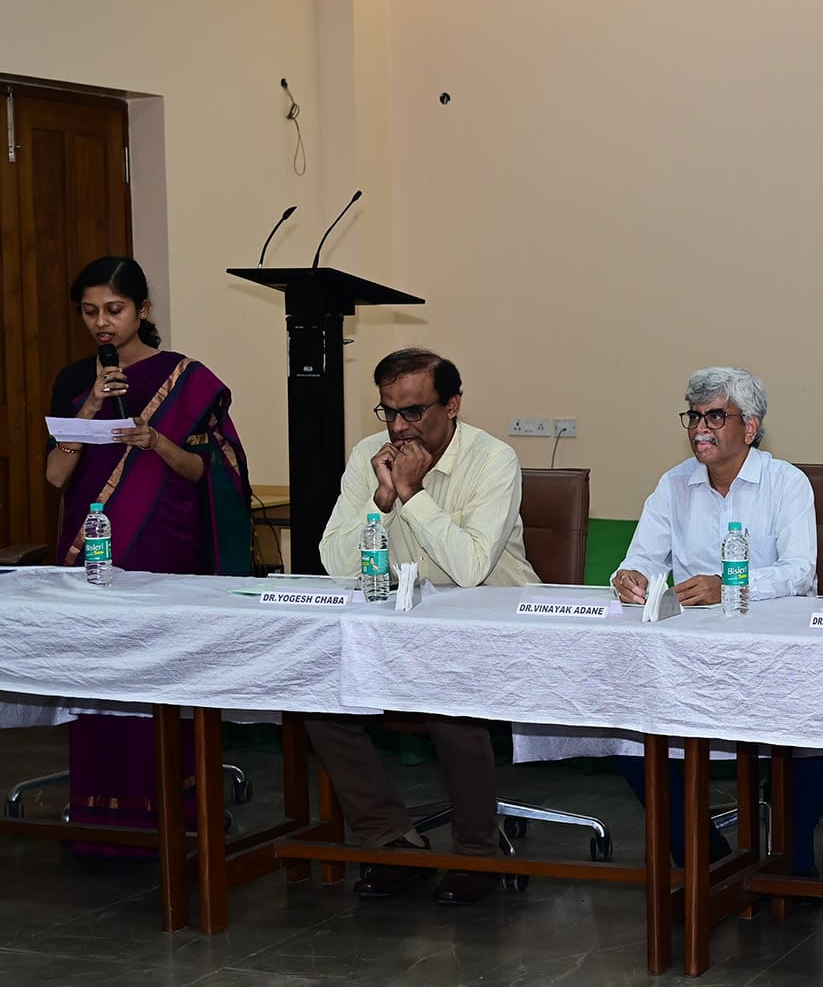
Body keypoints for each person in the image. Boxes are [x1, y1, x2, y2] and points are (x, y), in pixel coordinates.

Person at [307, 348, 537, 905]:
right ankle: (391, 842)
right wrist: (382, 500)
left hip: (491, 628)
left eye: (413, 411)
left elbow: (470, 569)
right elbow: (336, 563)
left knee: (447, 697)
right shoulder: (369, 456)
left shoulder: (493, 459)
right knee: (318, 695)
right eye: (387, 411)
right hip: (402, 629)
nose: (398, 427)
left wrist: (412, 495)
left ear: (452, 405)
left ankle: (477, 853)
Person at [42, 256, 251, 851]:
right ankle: (101, 817)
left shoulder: (186, 379)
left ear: (143, 310)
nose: (101, 323)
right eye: (90, 312)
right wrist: (88, 409)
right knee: (100, 673)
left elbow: (208, 473)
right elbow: (55, 476)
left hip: (164, 544)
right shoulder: (74, 379)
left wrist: (155, 439)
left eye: (114, 309)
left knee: (160, 673)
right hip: (94, 544)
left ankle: (175, 812)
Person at [602, 367, 823, 874]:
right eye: (694, 416)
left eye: (714, 417)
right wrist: (629, 577)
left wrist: (729, 585)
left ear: (749, 427)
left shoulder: (786, 483)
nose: (700, 428)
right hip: (692, 651)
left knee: (808, 736)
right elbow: (640, 558)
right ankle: (705, 859)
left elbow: (799, 571)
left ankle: (793, 864)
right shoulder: (674, 484)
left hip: (775, 650)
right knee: (629, 735)